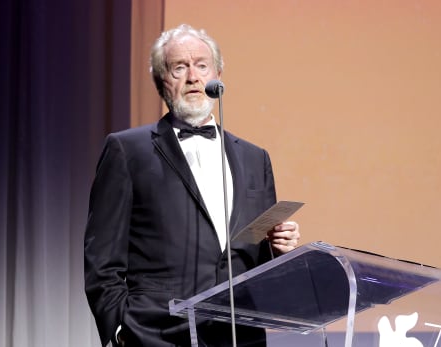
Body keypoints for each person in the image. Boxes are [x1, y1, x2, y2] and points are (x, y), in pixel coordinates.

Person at [84, 24, 301, 347]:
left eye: (202, 65)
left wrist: (277, 249)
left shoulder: (257, 158)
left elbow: (256, 259)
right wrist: (119, 329)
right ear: (161, 81)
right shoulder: (127, 150)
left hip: (239, 333)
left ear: (218, 76)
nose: (193, 77)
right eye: (178, 68)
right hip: (155, 334)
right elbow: (103, 258)